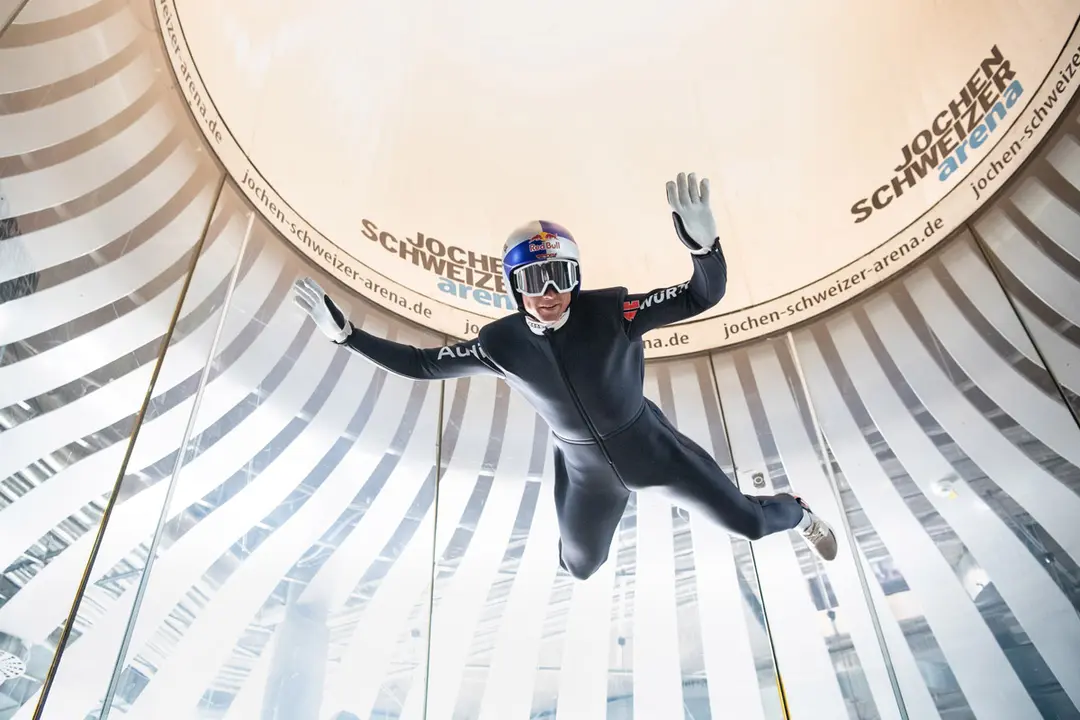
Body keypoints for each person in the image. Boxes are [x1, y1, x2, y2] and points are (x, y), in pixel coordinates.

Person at [293, 173, 838, 580]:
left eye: (560, 276)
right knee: (579, 566)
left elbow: (702, 294)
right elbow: (420, 365)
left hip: (652, 450)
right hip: (585, 472)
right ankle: (601, 523)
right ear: (513, 285)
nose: (549, 293)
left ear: (576, 277)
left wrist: (703, 248)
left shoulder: (615, 312)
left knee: (748, 523)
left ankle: (798, 512)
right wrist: (348, 338)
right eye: (534, 279)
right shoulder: (499, 343)